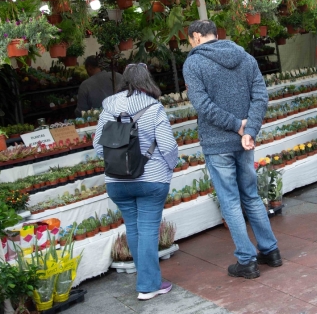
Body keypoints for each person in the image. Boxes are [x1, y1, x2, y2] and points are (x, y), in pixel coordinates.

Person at [182, 20, 280, 279]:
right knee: (251, 195)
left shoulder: (193, 63)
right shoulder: (245, 57)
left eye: (190, 40)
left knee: (230, 201)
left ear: (196, 37)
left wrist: (238, 126)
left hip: (217, 143)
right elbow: (261, 96)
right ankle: (270, 251)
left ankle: (247, 261)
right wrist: (249, 130)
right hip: (244, 141)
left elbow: (202, 104)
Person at [93, 63, 178, 300]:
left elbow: (98, 147)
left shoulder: (108, 108)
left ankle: (146, 280)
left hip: (117, 182)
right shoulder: (154, 107)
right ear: (146, 80)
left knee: (133, 227)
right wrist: (170, 166)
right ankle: (149, 285)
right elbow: (168, 145)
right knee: (149, 229)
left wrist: (117, 162)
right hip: (151, 180)